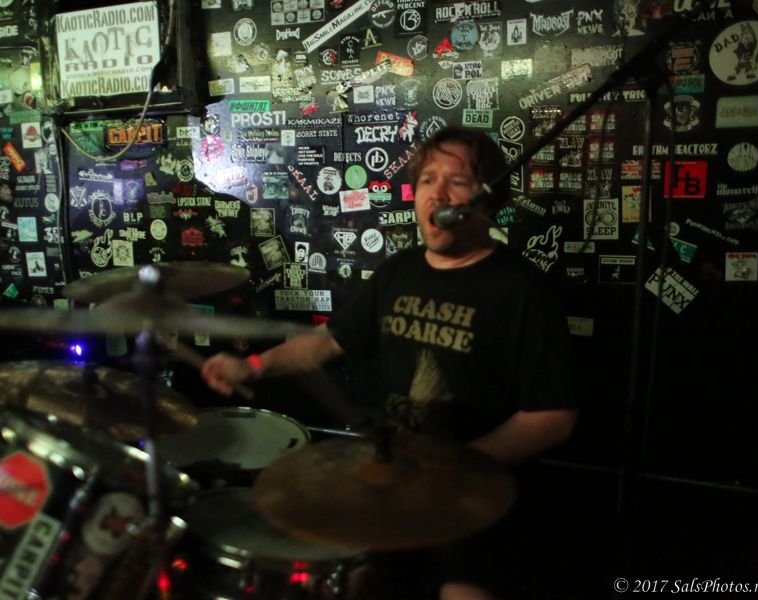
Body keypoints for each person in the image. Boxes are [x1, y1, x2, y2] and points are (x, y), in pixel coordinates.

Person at [201, 126, 577, 600]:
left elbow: (552, 418)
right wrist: (252, 367)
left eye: (457, 181)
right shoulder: (399, 271)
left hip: (476, 510)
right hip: (393, 492)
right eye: (427, 180)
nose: (437, 194)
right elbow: (329, 343)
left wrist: (456, 466)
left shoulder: (522, 290)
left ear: (487, 199)